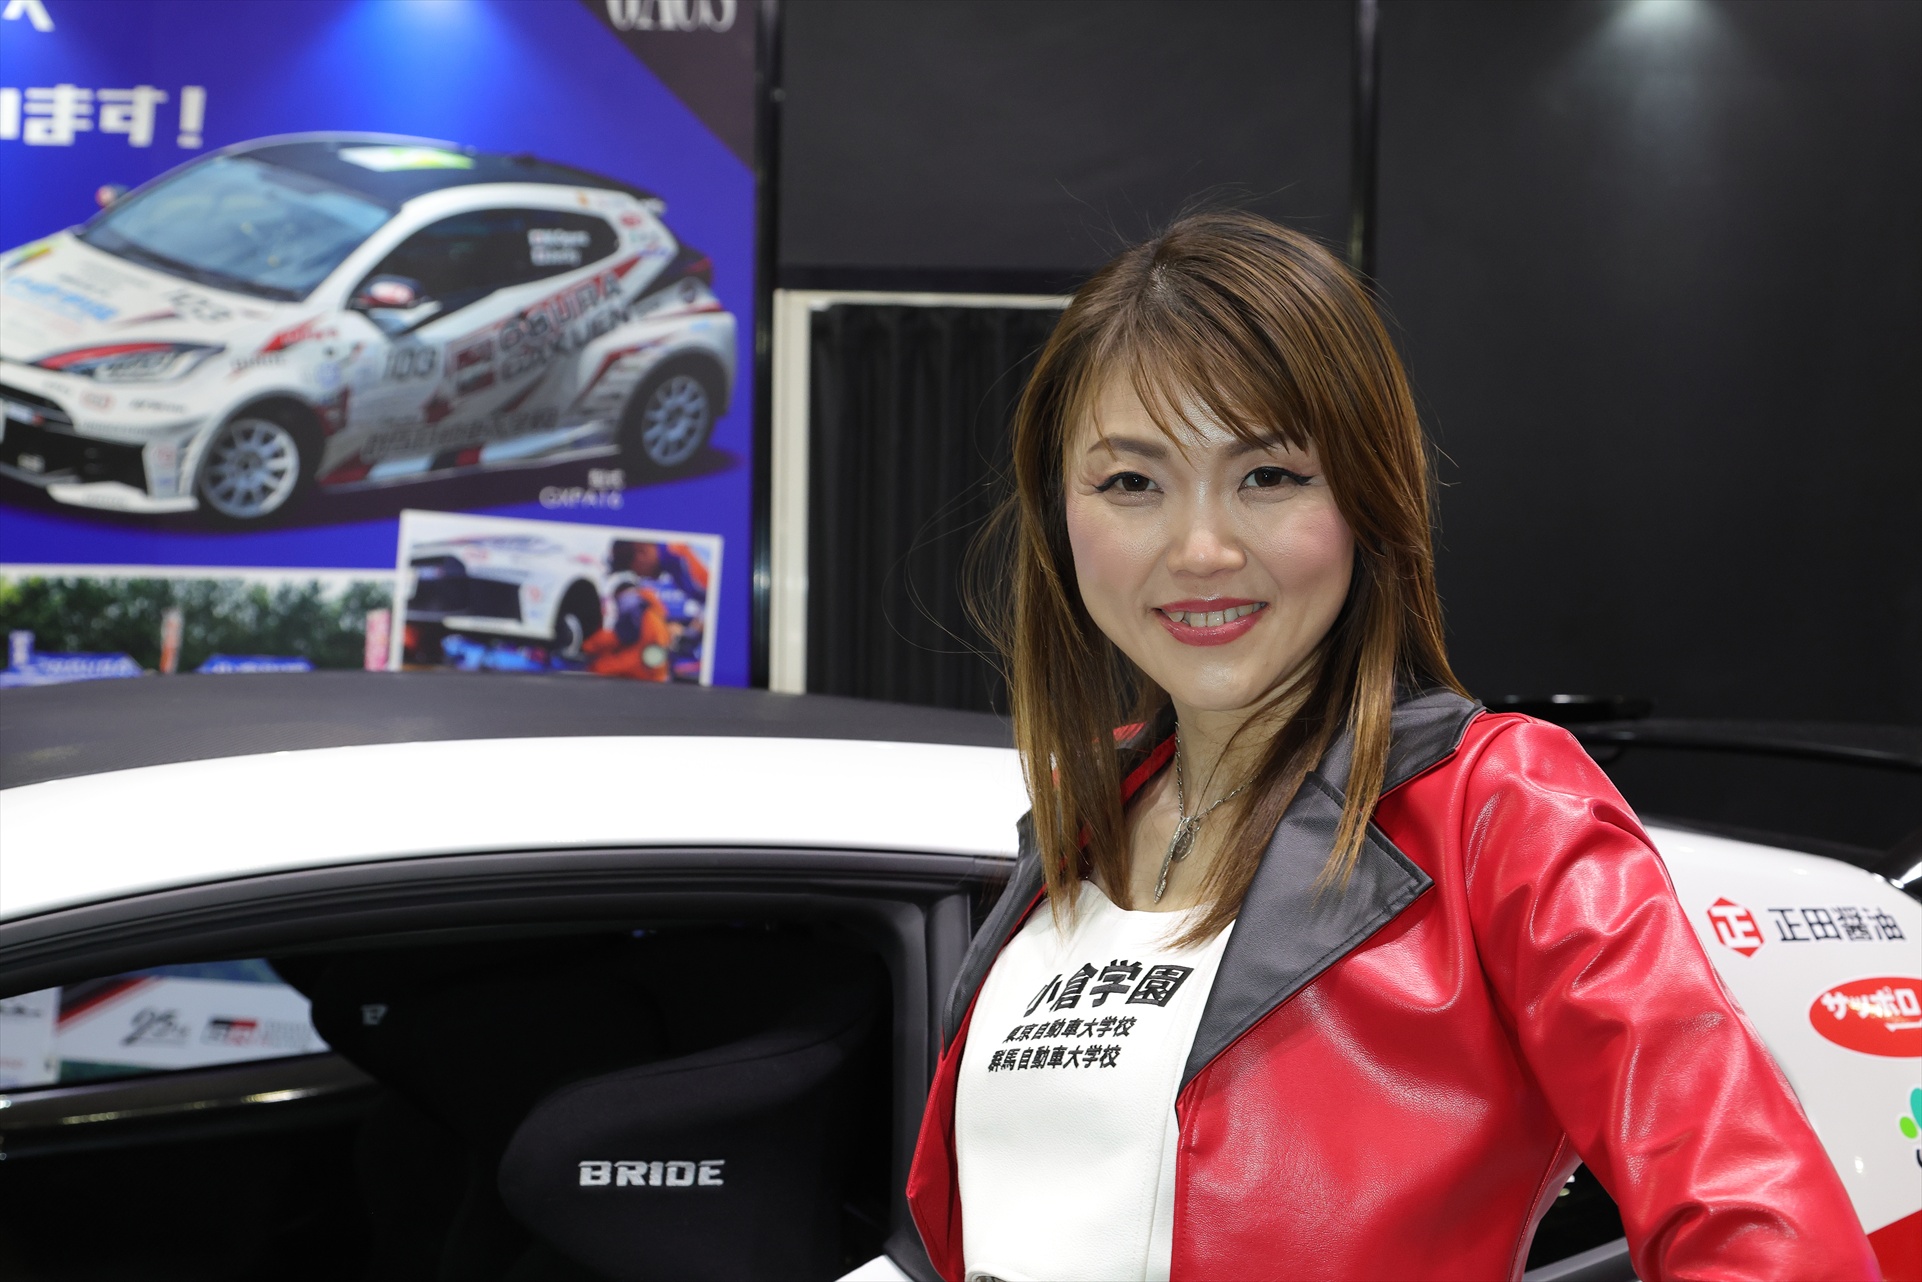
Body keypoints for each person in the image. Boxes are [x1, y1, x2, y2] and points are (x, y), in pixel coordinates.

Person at [905, 212, 1879, 1282]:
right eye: (1131, 482)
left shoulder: (1497, 810)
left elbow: (1776, 1237)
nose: (1199, 549)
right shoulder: (1086, 804)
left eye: (1268, 475)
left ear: (1367, 496)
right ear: (1059, 514)